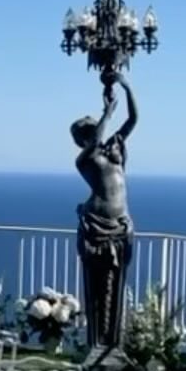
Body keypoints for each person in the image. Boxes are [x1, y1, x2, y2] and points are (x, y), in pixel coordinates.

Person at [72, 72, 137, 351]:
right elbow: (96, 141)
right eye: (92, 126)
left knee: (115, 283)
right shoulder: (84, 160)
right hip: (98, 226)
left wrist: (126, 86)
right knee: (99, 287)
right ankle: (100, 343)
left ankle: (111, 345)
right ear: (84, 137)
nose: (97, 127)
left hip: (120, 223)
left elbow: (133, 120)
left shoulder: (113, 149)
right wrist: (107, 113)